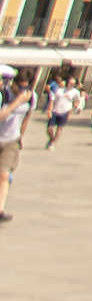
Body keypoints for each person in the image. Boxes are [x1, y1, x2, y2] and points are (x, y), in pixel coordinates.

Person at [0, 66, 30, 221]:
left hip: (11, 140)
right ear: (13, 83)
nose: (22, 90)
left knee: (4, 175)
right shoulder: (4, 95)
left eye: (26, 87)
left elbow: (26, 118)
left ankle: (0, 209)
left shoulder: (30, 97)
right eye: (20, 86)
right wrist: (17, 102)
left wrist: (21, 137)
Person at [44, 77, 72, 148]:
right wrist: (49, 111)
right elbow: (51, 101)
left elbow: (72, 103)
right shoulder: (56, 91)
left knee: (59, 128)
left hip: (65, 112)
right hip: (54, 111)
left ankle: (53, 143)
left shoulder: (73, 92)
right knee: (49, 128)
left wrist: (69, 113)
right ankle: (52, 139)